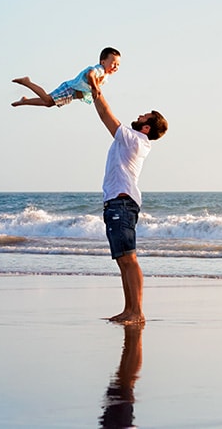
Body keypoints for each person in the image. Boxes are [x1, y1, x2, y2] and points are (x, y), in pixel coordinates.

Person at [93, 90, 168, 324]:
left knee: (129, 259)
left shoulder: (134, 139)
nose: (139, 116)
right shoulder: (132, 139)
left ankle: (136, 312)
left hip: (122, 203)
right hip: (117, 202)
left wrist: (96, 89)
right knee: (122, 260)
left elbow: (106, 115)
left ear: (146, 128)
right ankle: (129, 310)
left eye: (144, 117)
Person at [11, 47, 121, 108]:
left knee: (48, 103)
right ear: (103, 62)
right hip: (70, 88)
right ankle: (27, 82)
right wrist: (95, 88)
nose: (115, 67)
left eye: (118, 65)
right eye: (113, 63)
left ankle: (24, 101)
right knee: (48, 99)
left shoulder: (105, 76)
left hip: (72, 94)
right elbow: (90, 74)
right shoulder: (99, 69)